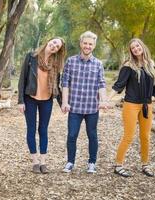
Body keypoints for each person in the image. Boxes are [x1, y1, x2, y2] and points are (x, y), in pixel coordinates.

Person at [107, 38, 155, 177]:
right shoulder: (129, 65)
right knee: (129, 136)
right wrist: (107, 99)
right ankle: (118, 165)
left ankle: (145, 164)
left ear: (142, 46)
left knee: (145, 136)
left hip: (146, 105)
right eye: (133, 48)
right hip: (131, 104)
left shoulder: (151, 64)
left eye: (137, 46)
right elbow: (119, 85)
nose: (136, 49)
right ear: (131, 51)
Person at [61, 31, 108, 173]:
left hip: (92, 108)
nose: (87, 46)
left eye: (90, 44)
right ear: (81, 44)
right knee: (72, 135)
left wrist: (103, 101)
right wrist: (64, 102)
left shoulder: (98, 64)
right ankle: (70, 162)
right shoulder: (71, 61)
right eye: (85, 43)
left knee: (92, 135)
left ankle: (92, 163)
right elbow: (65, 83)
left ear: (94, 46)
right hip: (74, 107)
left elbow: (101, 84)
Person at [18, 37, 66, 174]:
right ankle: (35, 162)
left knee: (43, 130)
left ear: (58, 51)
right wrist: (20, 101)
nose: (54, 46)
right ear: (49, 41)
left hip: (47, 100)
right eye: (54, 43)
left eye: (57, 47)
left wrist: (62, 103)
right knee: (31, 130)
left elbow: (56, 85)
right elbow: (23, 79)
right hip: (30, 98)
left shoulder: (55, 64)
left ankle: (43, 162)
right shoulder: (31, 57)